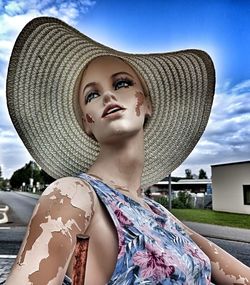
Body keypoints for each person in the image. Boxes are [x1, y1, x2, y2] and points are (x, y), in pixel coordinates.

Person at [5, 17, 250, 285]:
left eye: (121, 84)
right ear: (88, 122)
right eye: (92, 95)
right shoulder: (72, 195)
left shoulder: (160, 214)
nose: (108, 96)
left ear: (147, 104)